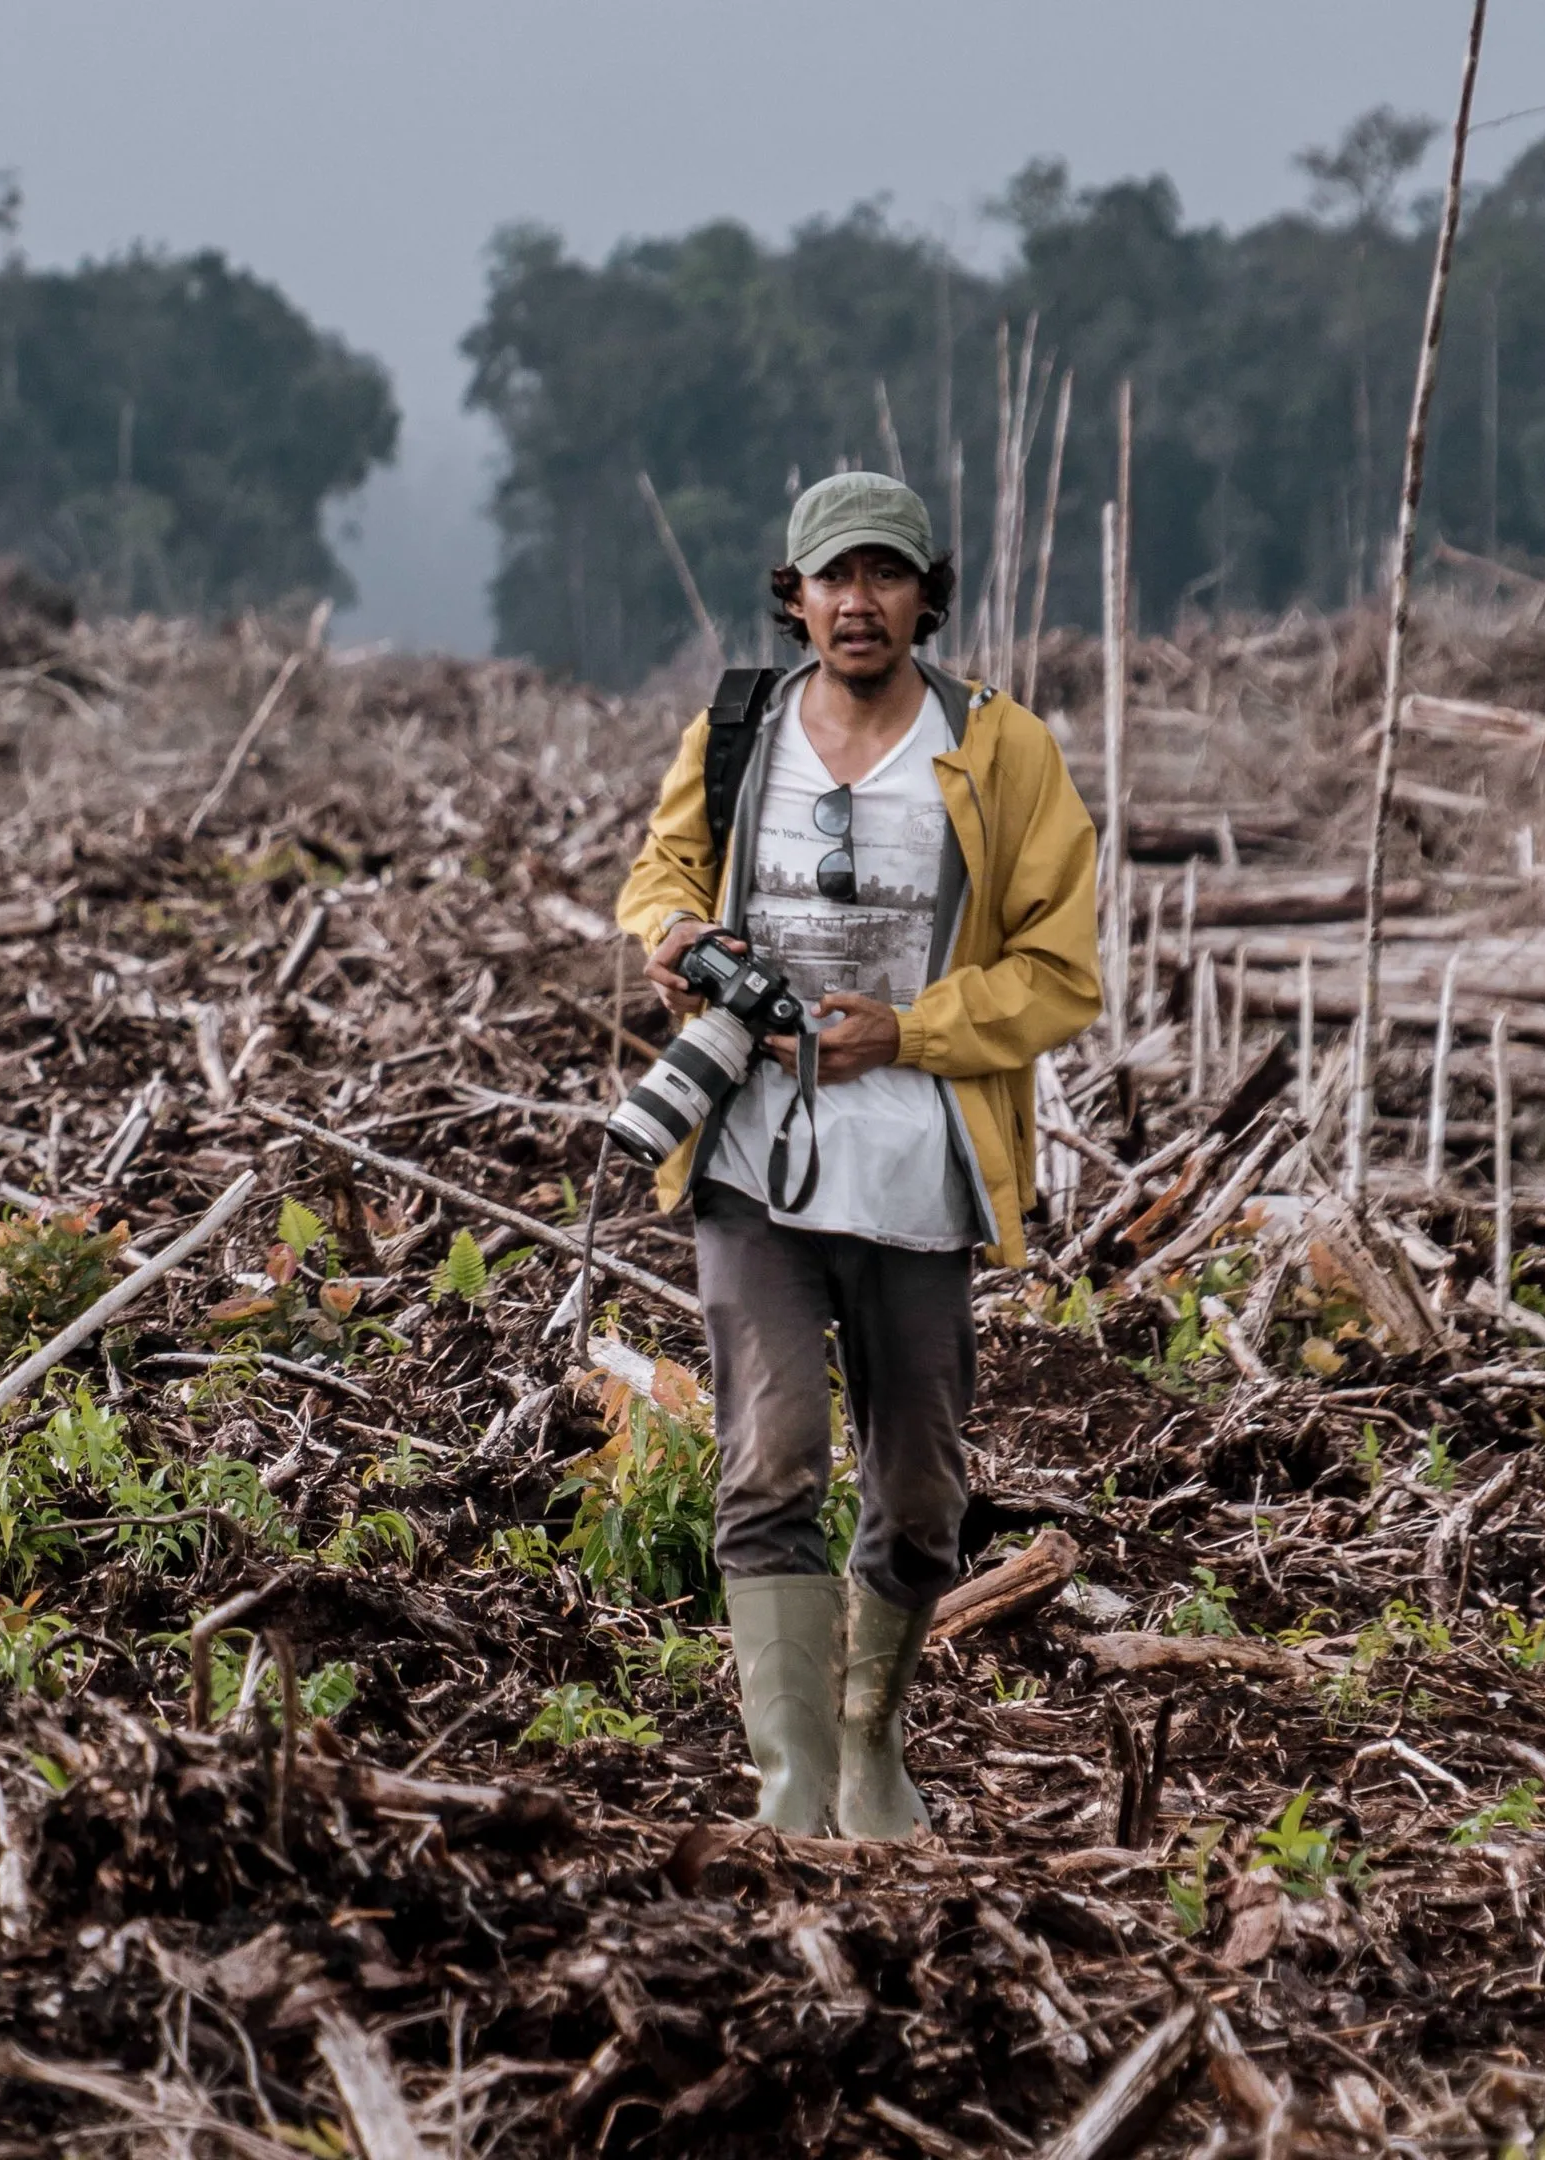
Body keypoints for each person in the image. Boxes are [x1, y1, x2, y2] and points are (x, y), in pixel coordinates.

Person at [615, 470, 1102, 1839]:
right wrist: (675, 938)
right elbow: (658, 876)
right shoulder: (735, 729)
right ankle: (793, 1799)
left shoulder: (1001, 751)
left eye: (885, 574)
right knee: (770, 1463)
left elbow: (1061, 973)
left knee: (921, 1494)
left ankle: (867, 1747)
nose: (858, 601)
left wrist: (912, 1028)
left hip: (921, 1170)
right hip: (749, 1162)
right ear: (796, 596)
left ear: (926, 595)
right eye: (834, 576)